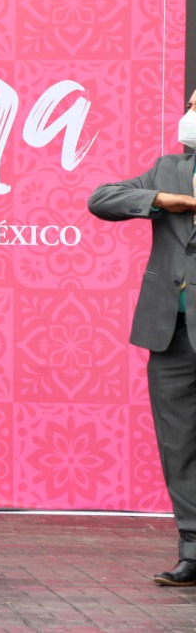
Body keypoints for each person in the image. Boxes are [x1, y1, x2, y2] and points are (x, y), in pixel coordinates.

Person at [87, 87, 196, 587]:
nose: (190, 114)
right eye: (190, 106)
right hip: (170, 332)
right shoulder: (168, 168)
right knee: (180, 445)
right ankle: (192, 549)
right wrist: (159, 200)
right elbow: (101, 199)